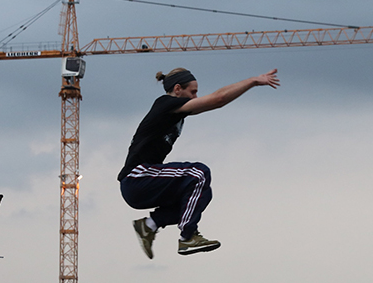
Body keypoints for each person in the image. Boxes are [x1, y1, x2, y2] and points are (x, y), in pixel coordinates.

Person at [118, 67, 280, 258]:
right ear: (177, 89)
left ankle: (149, 225)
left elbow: (216, 101)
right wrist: (252, 81)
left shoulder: (176, 111)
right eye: (192, 92)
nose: (195, 97)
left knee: (201, 194)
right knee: (199, 173)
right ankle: (188, 237)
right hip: (136, 178)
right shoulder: (166, 104)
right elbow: (218, 99)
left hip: (143, 184)